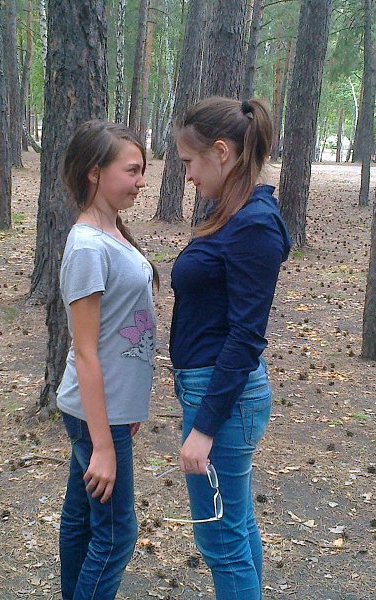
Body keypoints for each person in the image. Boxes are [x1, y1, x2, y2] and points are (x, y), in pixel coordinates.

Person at [170, 96, 291, 599]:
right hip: (214, 391)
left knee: (220, 539)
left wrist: (204, 429)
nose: (187, 176)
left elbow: (245, 337)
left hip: (222, 399)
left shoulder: (253, 225)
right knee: (235, 527)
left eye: (190, 162)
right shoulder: (230, 214)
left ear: (221, 152)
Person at [57, 120, 158, 600]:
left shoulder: (112, 231)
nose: (141, 181)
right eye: (132, 170)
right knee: (117, 535)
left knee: (82, 519)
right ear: (95, 172)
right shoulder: (87, 247)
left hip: (110, 410)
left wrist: (129, 407)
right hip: (97, 416)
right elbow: (85, 351)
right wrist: (102, 444)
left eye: (143, 170)